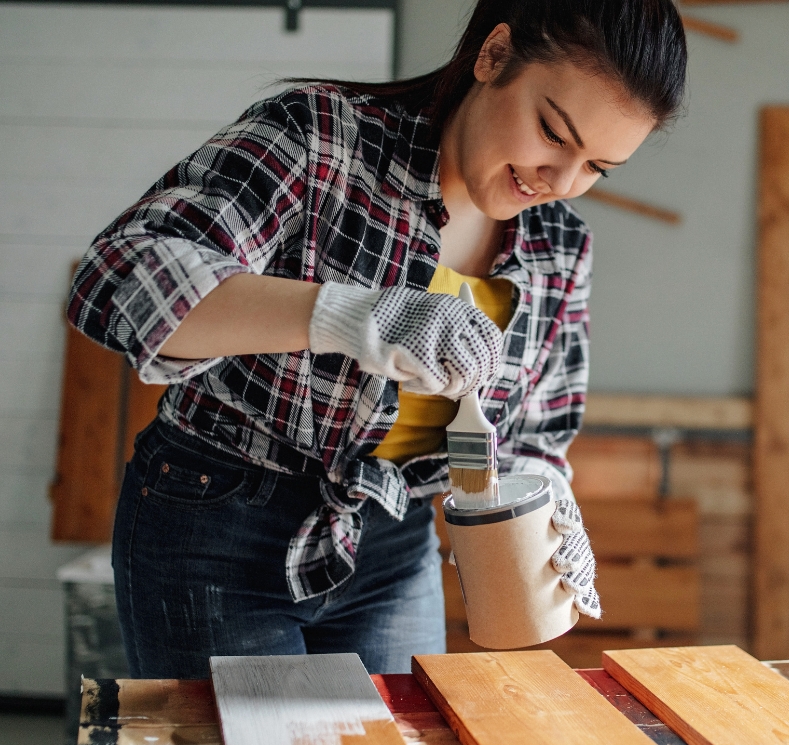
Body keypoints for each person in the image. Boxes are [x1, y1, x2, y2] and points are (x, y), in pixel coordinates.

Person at [66, 0, 688, 679]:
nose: (561, 183)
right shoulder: (320, 138)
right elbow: (118, 279)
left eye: (599, 166)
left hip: (392, 547)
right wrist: (350, 316)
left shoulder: (561, 248)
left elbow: (536, 433)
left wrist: (538, 487)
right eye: (552, 133)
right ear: (494, 55)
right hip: (218, 523)